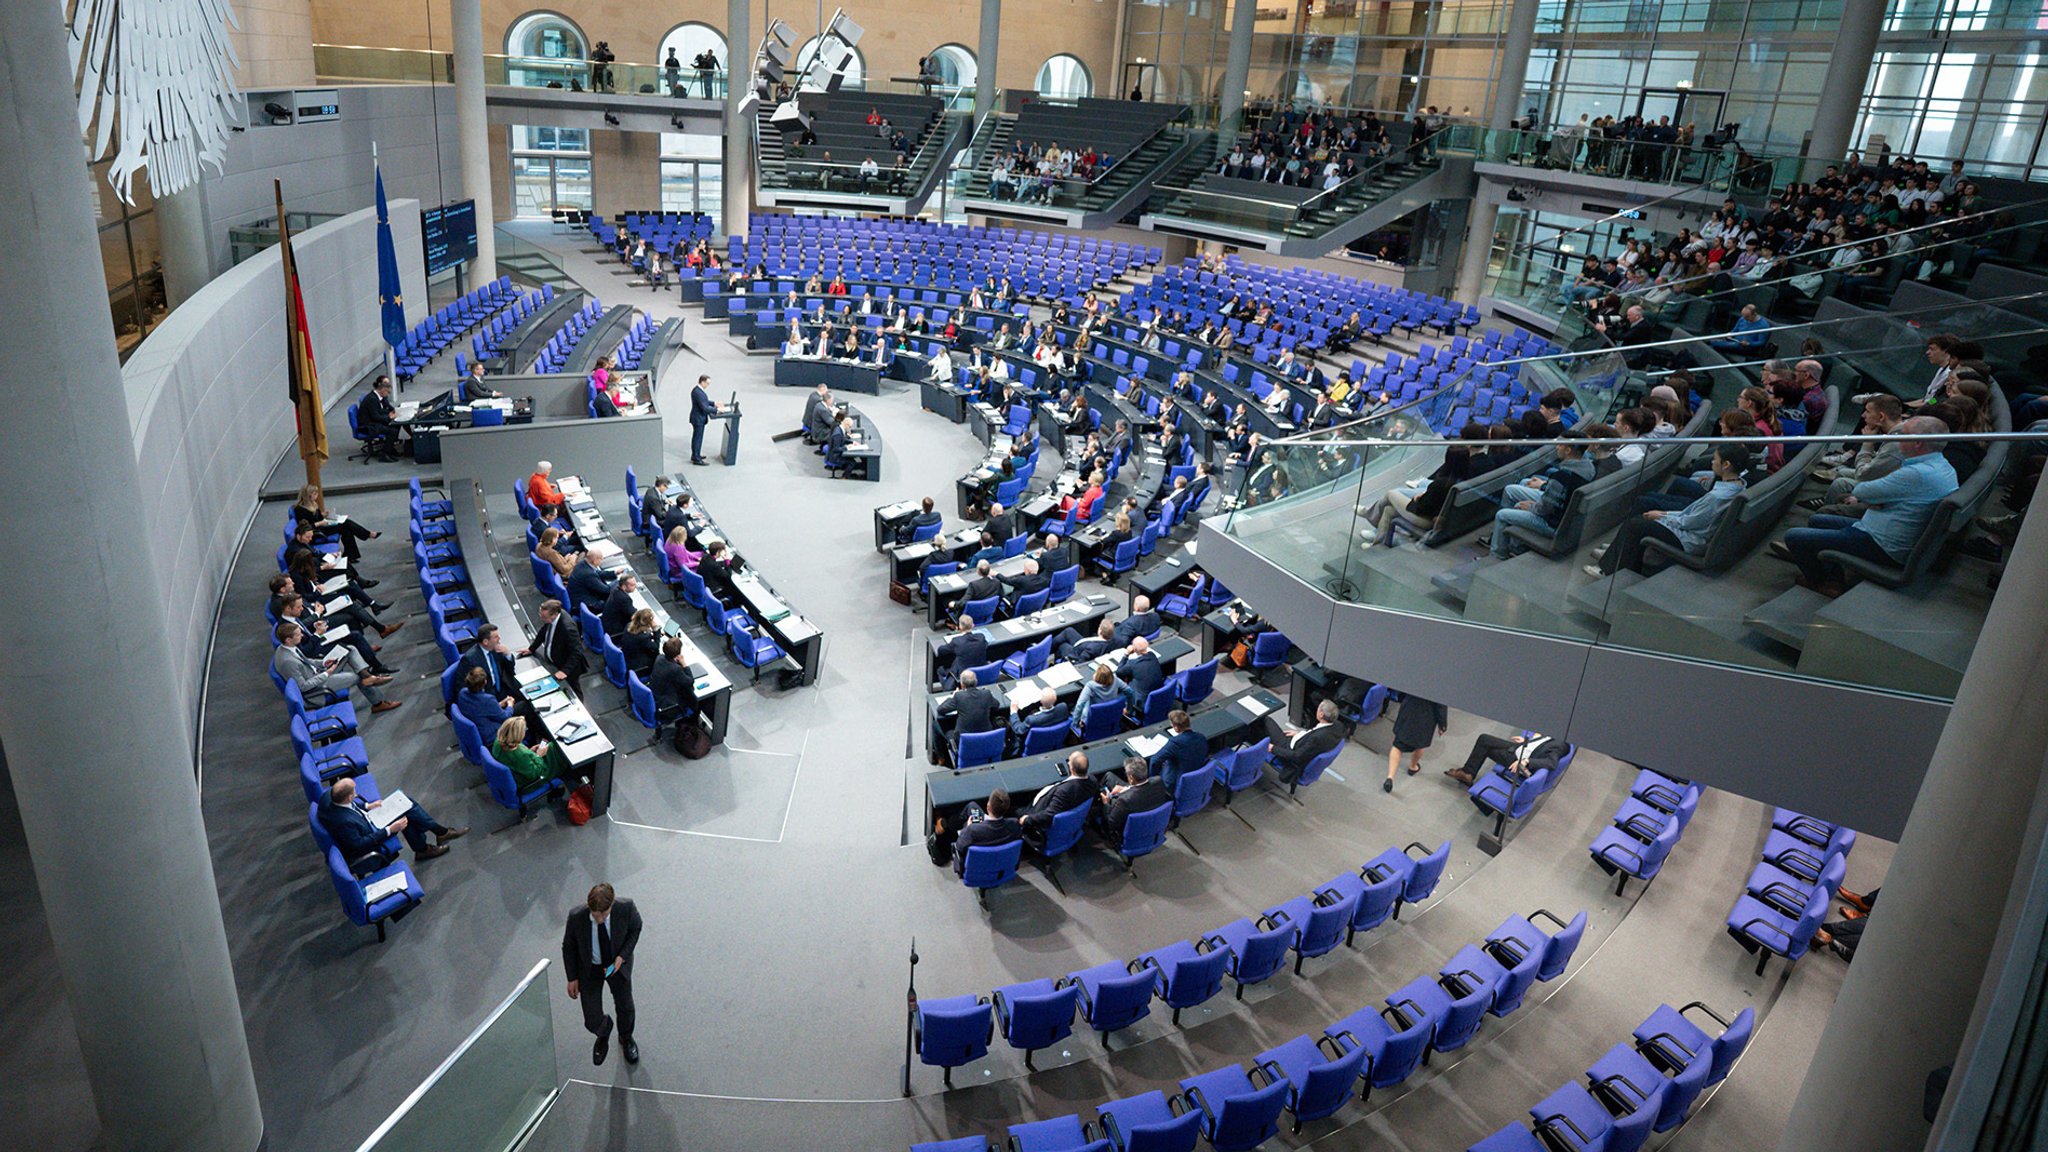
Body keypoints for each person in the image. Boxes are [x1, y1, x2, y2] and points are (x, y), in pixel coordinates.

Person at [1779, 416, 1958, 596]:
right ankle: (1833, 579)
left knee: (1794, 536)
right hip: (1881, 530)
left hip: (1881, 543)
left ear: (1918, 443)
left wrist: (1875, 498)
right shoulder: (1943, 466)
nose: (1896, 439)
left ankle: (1820, 582)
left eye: (1903, 435)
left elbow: (1862, 490)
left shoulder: (1917, 473)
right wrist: (1880, 500)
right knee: (1818, 520)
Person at [1587, 444, 1749, 578]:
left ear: (1726, 465)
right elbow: (1692, 516)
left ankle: (1609, 570)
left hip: (1690, 539)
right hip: (1694, 530)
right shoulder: (1738, 484)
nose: (1712, 462)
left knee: (1636, 525)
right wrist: (1664, 514)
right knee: (1644, 511)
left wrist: (1662, 516)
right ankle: (1617, 552)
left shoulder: (1717, 497)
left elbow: (1689, 522)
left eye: (1716, 459)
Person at [562, 883, 642, 1065]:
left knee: (626, 1008)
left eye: (603, 915)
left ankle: (626, 1038)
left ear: (612, 905)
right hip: (590, 970)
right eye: (594, 915)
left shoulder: (626, 907)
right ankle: (604, 1030)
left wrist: (622, 956)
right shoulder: (576, 917)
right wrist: (572, 977)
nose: (598, 920)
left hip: (616, 966)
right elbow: (568, 947)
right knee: (591, 1019)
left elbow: (635, 929)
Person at [1488, 434, 1593, 558]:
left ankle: (1497, 554)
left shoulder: (1562, 476)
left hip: (1552, 524)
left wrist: (1531, 507)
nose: (1557, 448)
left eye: (1560, 445)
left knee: (1502, 514)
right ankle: (1511, 543)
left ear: (1568, 450)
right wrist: (1542, 488)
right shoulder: (1589, 467)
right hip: (1563, 512)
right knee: (1511, 490)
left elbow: (1545, 509)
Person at [319, 776, 466, 863]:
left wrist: (367, 805)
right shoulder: (344, 823)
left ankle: (429, 843)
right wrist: (390, 830)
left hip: (368, 818)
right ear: (349, 797)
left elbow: (351, 804)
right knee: (407, 810)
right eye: (354, 793)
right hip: (372, 831)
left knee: (406, 803)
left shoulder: (330, 796)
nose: (356, 794)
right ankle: (437, 835)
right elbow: (359, 844)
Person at [273, 621, 397, 712]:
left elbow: (307, 660)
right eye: (298, 635)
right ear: (289, 640)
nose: (302, 636)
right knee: (356, 677)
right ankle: (378, 703)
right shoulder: (288, 661)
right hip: (317, 687)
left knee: (350, 650)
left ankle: (368, 676)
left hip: (317, 672)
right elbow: (304, 687)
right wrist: (327, 673)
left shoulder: (286, 648)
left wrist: (323, 663)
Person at [291, 484, 378, 563]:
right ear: (309, 496)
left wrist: (324, 514)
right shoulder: (300, 509)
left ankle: (351, 555)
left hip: (322, 526)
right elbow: (306, 527)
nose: (317, 496)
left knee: (346, 530)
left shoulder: (313, 504)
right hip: (315, 532)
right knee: (346, 523)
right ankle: (367, 534)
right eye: (315, 494)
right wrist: (321, 522)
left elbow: (314, 517)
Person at [1265, 700, 1344, 786]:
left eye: (1318, 709)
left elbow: (1296, 756)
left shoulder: (1317, 738)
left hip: (1289, 748)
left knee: (1267, 720)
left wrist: (1272, 748)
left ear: (1321, 714)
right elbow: (1314, 732)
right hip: (1301, 742)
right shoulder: (1338, 725)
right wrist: (1300, 734)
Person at [1023, 752, 1097, 844]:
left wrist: (1027, 819)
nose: (1068, 762)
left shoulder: (1064, 791)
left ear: (1072, 768)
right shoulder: (1092, 780)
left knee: (1013, 808)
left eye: (1068, 761)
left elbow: (1049, 815)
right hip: (1069, 814)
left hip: (1036, 812)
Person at [1447, 730, 1564, 786]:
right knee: (1484, 739)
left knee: (1486, 748)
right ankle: (1468, 773)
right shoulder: (1557, 735)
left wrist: (1527, 761)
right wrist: (1526, 742)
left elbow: (1551, 762)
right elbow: (1542, 744)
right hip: (1521, 748)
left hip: (1519, 760)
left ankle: (1467, 773)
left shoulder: (1560, 744)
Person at [523, 598, 590, 695]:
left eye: (544, 617)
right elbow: (544, 631)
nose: (541, 618)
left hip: (567, 666)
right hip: (555, 661)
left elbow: (577, 652)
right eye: (540, 615)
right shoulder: (551, 618)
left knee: (574, 690)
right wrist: (531, 648)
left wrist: (565, 671)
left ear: (554, 615)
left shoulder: (568, 628)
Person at [1383, 693, 1448, 793]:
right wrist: (1442, 724)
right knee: (1420, 745)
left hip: (1409, 707)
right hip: (1427, 715)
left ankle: (1390, 777)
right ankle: (1413, 767)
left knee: (1397, 746)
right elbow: (1441, 704)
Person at [1097, 759, 1168, 846]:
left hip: (1130, 829)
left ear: (1131, 778)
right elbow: (1141, 789)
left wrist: (1106, 803)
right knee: (1109, 776)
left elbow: (1110, 823)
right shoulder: (1158, 781)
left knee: (1103, 797)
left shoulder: (1124, 801)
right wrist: (1126, 788)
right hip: (1150, 816)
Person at [953, 789, 1022, 873]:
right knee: (972, 806)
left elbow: (959, 846)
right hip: (999, 862)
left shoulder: (972, 830)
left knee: (970, 807)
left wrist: (967, 827)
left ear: (988, 807)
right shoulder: (1014, 824)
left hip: (976, 867)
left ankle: (949, 825)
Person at [935, 669, 1001, 755]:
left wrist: (953, 696)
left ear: (962, 684)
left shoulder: (959, 696)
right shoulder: (986, 694)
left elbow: (940, 709)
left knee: (936, 725)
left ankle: (941, 758)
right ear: (976, 682)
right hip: (985, 737)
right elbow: (996, 705)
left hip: (963, 741)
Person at [457, 624, 518, 701]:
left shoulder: (496, 649)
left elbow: (510, 670)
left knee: (526, 697)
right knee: (525, 707)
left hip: (502, 689)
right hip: (485, 696)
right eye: (496, 637)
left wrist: (507, 654)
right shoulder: (470, 659)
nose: (499, 638)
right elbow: (463, 686)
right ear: (486, 642)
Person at [491, 717, 556, 790]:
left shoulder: (499, 741)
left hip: (514, 774)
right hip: (528, 783)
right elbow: (536, 773)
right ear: (518, 734)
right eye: (525, 729)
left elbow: (521, 760)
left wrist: (530, 751)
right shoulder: (520, 754)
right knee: (554, 749)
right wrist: (538, 755)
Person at [1149, 710, 1205, 793]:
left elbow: (1154, 761)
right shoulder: (1201, 737)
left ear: (1176, 727)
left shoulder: (1175, 742)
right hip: (1194, 772)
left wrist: (1153, 780)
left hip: (1174, 781)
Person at [648, 637, 697, 723]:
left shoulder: (659, 658)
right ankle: (690, 724)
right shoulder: (675, 669)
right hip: (668, 705)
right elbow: (690, 681)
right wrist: (684, 664)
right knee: (693, 699)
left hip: (656, 696)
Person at [1007, 687, 1071, 754]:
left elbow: (1018, 729)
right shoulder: (1063, 708)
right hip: (1053, 743)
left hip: (1032, 749)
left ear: (1040, 701)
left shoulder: (1032, 720)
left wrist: (1013, 711)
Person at [932, 614, 989, 689]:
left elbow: (941, 650)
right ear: (973, 625)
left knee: (940, 670)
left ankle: (946, 689)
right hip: (980, 669)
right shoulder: (981, 637)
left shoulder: (957, 641)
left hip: (962, 674)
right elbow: (985, 645)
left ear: (960, 627)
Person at [456, 666, 515, 733]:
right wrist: (510, 705)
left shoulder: (462, 693)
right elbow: (505, 717)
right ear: (485, 682)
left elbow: (481, 709)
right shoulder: (488, 699)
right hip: (492, 735)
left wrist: (499, 704)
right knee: (523, 707)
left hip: (478, 728)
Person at [356, 376, 403, 460]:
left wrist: (392, 413)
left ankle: (390, 448)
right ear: (382, 390)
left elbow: (380, 411)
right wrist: (389, 417)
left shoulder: (377, 397)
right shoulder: (372, 399)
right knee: (393, 431)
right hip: (368, 425)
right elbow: (375, 417)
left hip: (373, 421)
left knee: (396, 425)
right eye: (387, 393)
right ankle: (385, 454)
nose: (387, 395)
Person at [1115, 635, 1164, 714]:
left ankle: (1128, 710)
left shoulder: (1133, 664)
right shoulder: (1152, 655)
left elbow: (1119, 672)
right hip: (1157, 696)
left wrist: (1126, 654)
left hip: (1140, 703)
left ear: (1134, 649)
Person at [1069, 662, 1121, 733]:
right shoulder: (1115, 679)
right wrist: (1128, 709)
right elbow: (1129, 692)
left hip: (1090, 723)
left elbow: (1079, 705)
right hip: (1110, 718)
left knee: (1072, 709)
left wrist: (1076, 723)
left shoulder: (1090, 686)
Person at [689, 375, 722, 465]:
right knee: (697, 438)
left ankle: (696, 454)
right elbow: (704, 408)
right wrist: (717, 410)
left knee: (697, 438)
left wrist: (714, 403)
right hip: (698, 419)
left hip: (698, 418)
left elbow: (704, 401)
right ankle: (696, 458)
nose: (707, 385)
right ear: (702, 382)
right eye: (707, 383)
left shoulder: (698, 391)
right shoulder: (698, 393)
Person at [618, 608, 661, 676]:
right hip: (636, 665)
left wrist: (651, 635)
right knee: (658, 657)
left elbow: (639, 639)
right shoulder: (643, 637)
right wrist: (656, 631)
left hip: (627, 656)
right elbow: (656, 647)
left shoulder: (628, 626)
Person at [600, 573, 641, 638]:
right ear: (624, 587)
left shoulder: (615, 589)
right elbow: (634, 614)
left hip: (606, 624)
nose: (635, 587)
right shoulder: (624, 598)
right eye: (632, 585)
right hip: (614, 631)